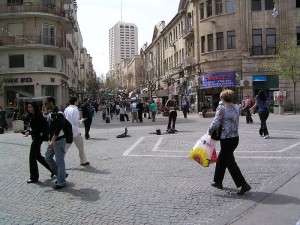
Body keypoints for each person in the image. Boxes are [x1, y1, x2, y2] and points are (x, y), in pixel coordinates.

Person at [209, 89, 251, 195]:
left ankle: (243, 184)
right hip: (235, 137)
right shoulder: (237, 108)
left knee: (230, 162)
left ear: (222, 99)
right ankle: (218, 181)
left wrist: (209, 132)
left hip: (226, 138)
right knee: (222, 159)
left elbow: (215, 123)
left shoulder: (222, 109)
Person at [24, 102, 53, 183]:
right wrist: (28, 131)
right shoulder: (34, 115)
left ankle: (34, 177)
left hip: (38, 138)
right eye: (28, 107)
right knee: (38, 156)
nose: (29, 108)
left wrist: (29, 132)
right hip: (36, 137)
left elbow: (39, 129)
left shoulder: (38, 116)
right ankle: (53, 169)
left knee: (32, 157)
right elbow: (35, 128)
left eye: (30, 107)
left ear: (34, 107)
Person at [44, 97, 68, 190]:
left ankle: (61, 182)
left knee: (60, 161)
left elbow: (58, 129)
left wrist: (53, 141)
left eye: (46, 104)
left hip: (59, 141)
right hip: (53, 141)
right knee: (47, 157)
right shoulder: (51, 114)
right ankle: (62, 174)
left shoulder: (59, 114)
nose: (45, 106)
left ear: (51, 103)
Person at [64, 97, 90, 166]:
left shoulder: (66, 109)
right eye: (77, 101)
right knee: (80, 147)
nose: (78, 102)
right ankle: (83, 161)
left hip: (68, 131)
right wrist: (81, 120)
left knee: (65, 148)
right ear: (75, 102)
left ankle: (59, 161)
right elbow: (76, 121)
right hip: (75, 131)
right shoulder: (75, 110)